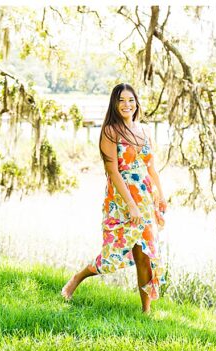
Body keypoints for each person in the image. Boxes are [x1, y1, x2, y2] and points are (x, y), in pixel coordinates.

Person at [60, 83, 167, 313]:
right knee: (113, 255)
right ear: (114, 104)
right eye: (121, 101)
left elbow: (151, 167)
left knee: (145, 253)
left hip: (146, 198)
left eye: (131, 100)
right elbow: (113, 172)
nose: (127, 105)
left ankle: (145, 312)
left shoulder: (145, 130)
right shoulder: (111, 131)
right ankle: (77, 278)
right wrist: (131, 206)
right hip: (122, 199)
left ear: (136, 102)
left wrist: (161, 195)